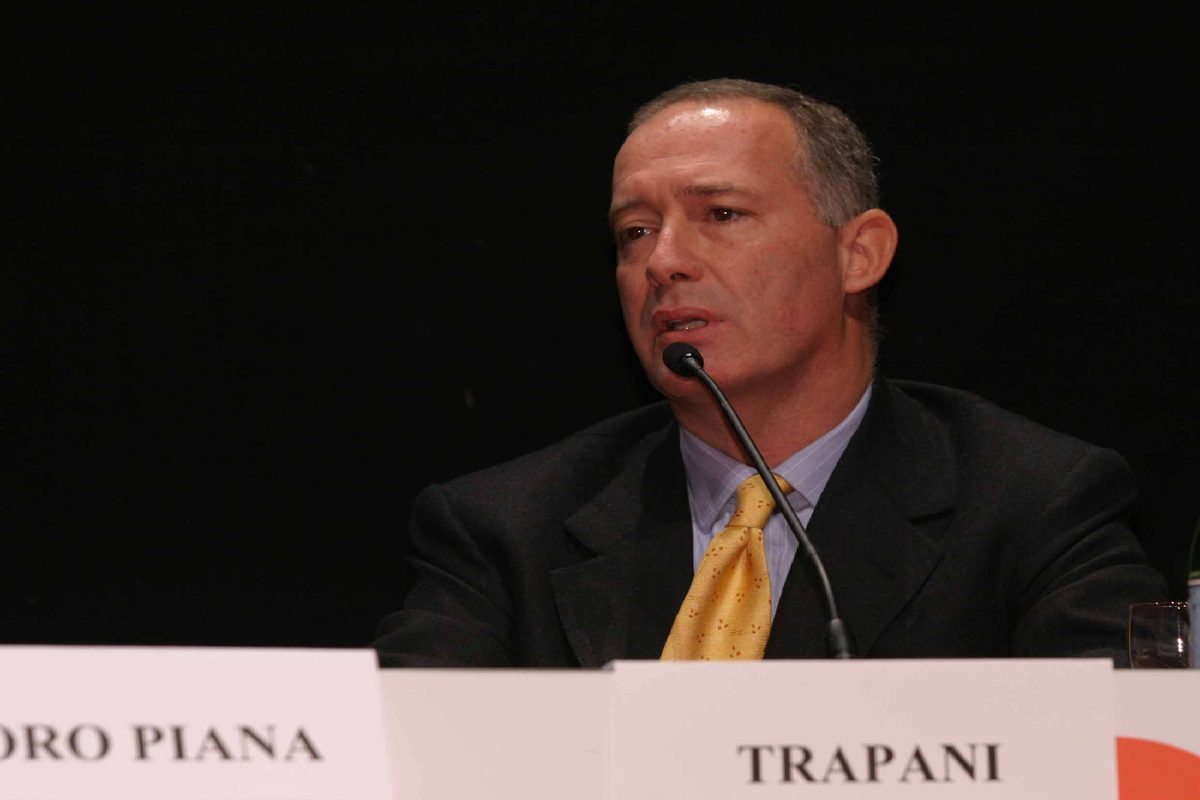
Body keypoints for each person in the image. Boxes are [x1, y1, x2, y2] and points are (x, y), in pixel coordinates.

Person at [373, 78, 1167, 668]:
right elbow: (398, 759)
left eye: (721, 215)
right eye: (635, 231)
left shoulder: (1035, 507)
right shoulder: (504, 531)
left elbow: (1130, 754)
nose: (664, 261)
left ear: (860, 254)